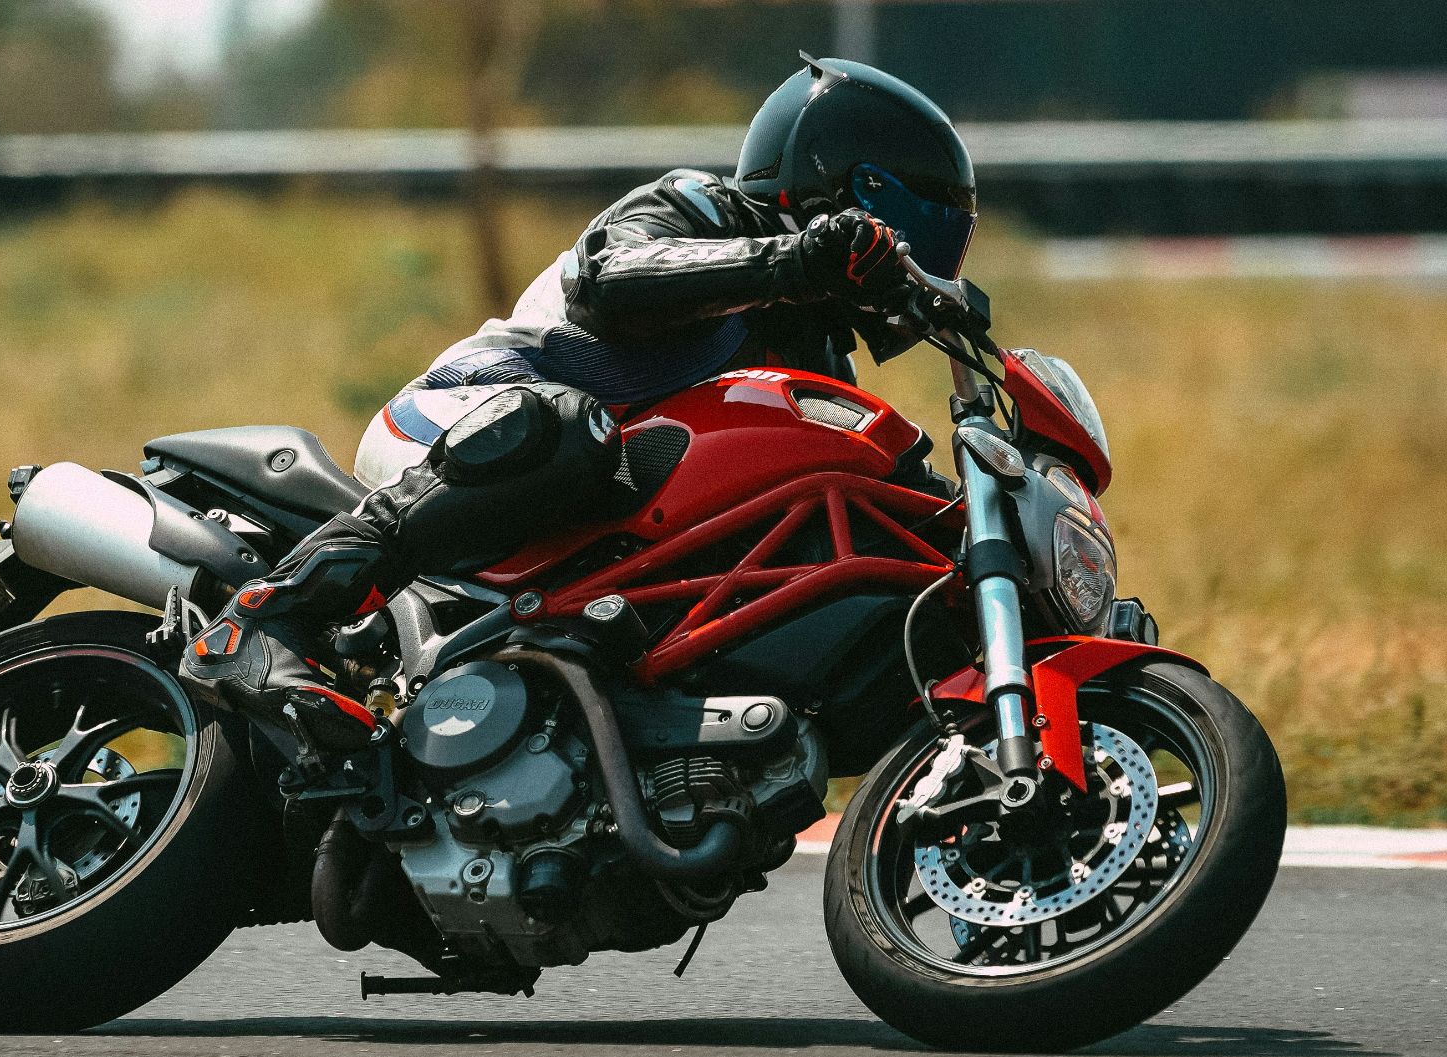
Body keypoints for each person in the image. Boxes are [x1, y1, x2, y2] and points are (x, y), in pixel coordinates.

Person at [183, 54, 978, 755]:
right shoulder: (699, 209)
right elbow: (608, 281)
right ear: (842, 183)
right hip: (463, 424)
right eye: (912, 219)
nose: (918, 252)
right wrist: (794, 259)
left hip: (593, 511)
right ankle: (264, 620)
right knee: (570, 429)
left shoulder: (814, 352)